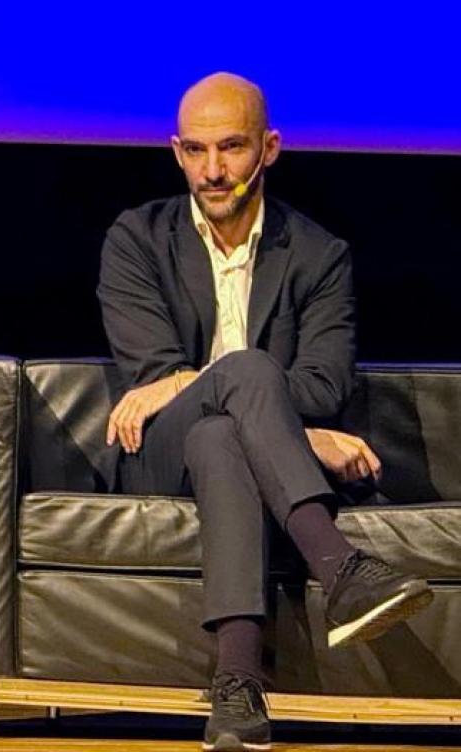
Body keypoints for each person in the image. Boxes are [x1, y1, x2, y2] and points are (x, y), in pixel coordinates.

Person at [97, 72, 432, 752]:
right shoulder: (136, 239)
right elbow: (155, 380)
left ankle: (238, 688)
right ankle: (340, 568)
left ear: (270, 148)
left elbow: (323, 384)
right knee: (243, 372)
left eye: (232, 148)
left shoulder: (318, 255)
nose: (213, 172)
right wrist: (296, 432)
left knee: (225, 435)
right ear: (176, 152)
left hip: (231, 450)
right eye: (195, 151)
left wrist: (262, 411)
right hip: (159, 453)